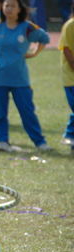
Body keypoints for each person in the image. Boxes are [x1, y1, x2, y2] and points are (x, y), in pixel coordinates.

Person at [0, 0, 51, 152]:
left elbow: (45, 38)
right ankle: (2, 141)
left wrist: (34, 53)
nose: (9, 9)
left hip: (20, 79)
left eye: (12, 6)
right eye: (6, 5)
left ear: (19, 9)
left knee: (27, 111)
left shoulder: (27, 27)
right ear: (2, 8)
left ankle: (40, 142)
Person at [58, 5, 74, 154]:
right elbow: (67, 49)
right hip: (71, 77)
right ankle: (70, 135)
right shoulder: (70, 25)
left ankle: (70, 135)